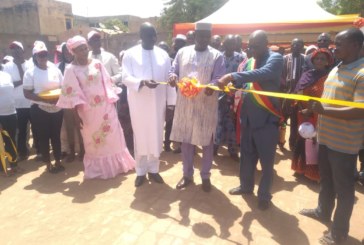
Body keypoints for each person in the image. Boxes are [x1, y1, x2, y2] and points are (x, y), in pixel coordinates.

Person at [299, 28, 364, 244]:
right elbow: (328, 100)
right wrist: (314, 110)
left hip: (344, 143)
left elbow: (360, 110)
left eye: (340, 43)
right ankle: (322, 211)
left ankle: (339, 233)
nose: (335, 47)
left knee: (344, 189)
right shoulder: (337, 67)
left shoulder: (361, 73)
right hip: (326, 138)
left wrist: (324, 111)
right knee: (326, 180)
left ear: (356, 45)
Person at [218, 30, 284, 210]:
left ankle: (264, 195)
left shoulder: (276, 58)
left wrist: (232, 76)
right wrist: (233, 85)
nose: (252, 49)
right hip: (247, 118)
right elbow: (246, 83)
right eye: (250, 46)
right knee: (246, 156)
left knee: (266, 162)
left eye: (256, 46)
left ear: (266, 43)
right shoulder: (249, 61)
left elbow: (264, 73)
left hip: (266, 119)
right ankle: (246, 186)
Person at [57, 35, 135, 179]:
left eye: (85, 48)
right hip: (88, 112)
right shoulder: (70, 69)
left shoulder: (97, 63)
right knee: (94, 141)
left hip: (106, 109)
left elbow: (107, 83)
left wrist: (111, 102)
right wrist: (76, 116)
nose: (84, 51)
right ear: (73, 52)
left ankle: (118, 166)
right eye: (80, 50)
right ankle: (99, 170)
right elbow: (71, 95)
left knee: (113, 137)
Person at [169, 22, 226, 192]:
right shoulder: (182, 52)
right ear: (194, 35)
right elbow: (174, 70)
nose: (202, 39)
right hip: (185, 106)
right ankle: (187, 175)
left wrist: (213, 85)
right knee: (186, 141)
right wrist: (172, 76)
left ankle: (205, 176)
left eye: (206, 36)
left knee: (206, 142)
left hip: (206, 106)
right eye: (199, 35)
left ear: (209, 37)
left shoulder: (217, 56)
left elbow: (219, 77)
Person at [122, 23, 176, 187]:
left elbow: (169, 79)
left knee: (156, 135)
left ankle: (154, 170)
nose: (153, 38)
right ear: (141, 36)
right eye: (148, 35)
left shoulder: (163, 55)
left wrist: (171, 104)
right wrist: (142, 82)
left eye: (154, 35)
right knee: (141, 136)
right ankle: (140, 171)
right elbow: (125, 77)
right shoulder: (130, 55)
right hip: (139, 104)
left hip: (158, 104)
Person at [291, 48, 333, 182]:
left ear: (328, 62)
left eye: (323, 59)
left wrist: (312, 110)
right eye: (317, 58)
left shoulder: (330, 77)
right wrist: (303, 107)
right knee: (302, 139)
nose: (319, 61)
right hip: (303, 113)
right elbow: (298, 92)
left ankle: (313, 173)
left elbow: (329, 98)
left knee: (315, 142)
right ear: (312, 60)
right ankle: (300, 168)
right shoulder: (307, 74)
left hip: (319, 115)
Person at [23, 41, 64, 173]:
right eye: (40, 55)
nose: (43, 58)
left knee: (56, 135)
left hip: (57, 108)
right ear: (35, 57)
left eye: (45, 54)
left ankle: (58, 160)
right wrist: (45, 99)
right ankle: (48, 163)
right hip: (40, 109)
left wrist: (56, 99)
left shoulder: (55, 70)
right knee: (44, 136)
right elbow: (27, 93)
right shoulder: (30, 73)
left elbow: (63, 88)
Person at [3, 41, 35, 161]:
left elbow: (33, 82)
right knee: (21, 130)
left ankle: (40, 151)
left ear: (23, 51)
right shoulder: (7, 67)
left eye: (17, 49)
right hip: (17, 105)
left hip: (31, 102)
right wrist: (23, 81)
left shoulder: (30, 65)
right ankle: (23, 151)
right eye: (13, 49)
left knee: (36, 128)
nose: (15, 51)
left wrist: (21, 82)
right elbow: (7, 84)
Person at [214, 35, 244, 160]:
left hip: (233, 97)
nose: (229, 46)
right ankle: (214, 148)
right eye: (227, 43)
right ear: (223, 44)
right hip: (218, 96)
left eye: (232, 43)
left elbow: (243, 75)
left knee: (232, 123)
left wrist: (235, 88)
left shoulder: (241, 58)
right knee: (216, 123)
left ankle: (233, 151)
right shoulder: (218, 57)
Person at [57, 43, 84, 163]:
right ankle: (72, 152)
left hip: (79, 101)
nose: (67, 54)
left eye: (69, 51)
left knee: (80, 127)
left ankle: (83, 151)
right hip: (67, 102)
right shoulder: (59, 67)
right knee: (69, 127)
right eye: (65, 52)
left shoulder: (80, 66)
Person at [281, 38, 305, 150]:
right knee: (282, 119)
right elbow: (281, 75)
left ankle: (292, 142)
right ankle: (280, 140)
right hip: (286, 93)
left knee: (295, 121)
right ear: (291, 46)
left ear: (302, 47)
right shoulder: (285, 58)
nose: (296, 47)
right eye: (294, 44)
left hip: (298, 95)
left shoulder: (305, 59)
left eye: (299, 45)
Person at [0, 70, 17, 173]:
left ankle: (14, 164)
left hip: (11, 113)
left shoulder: (7, 75)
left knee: (11, 141)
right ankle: (2, 169)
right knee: (0, 143)